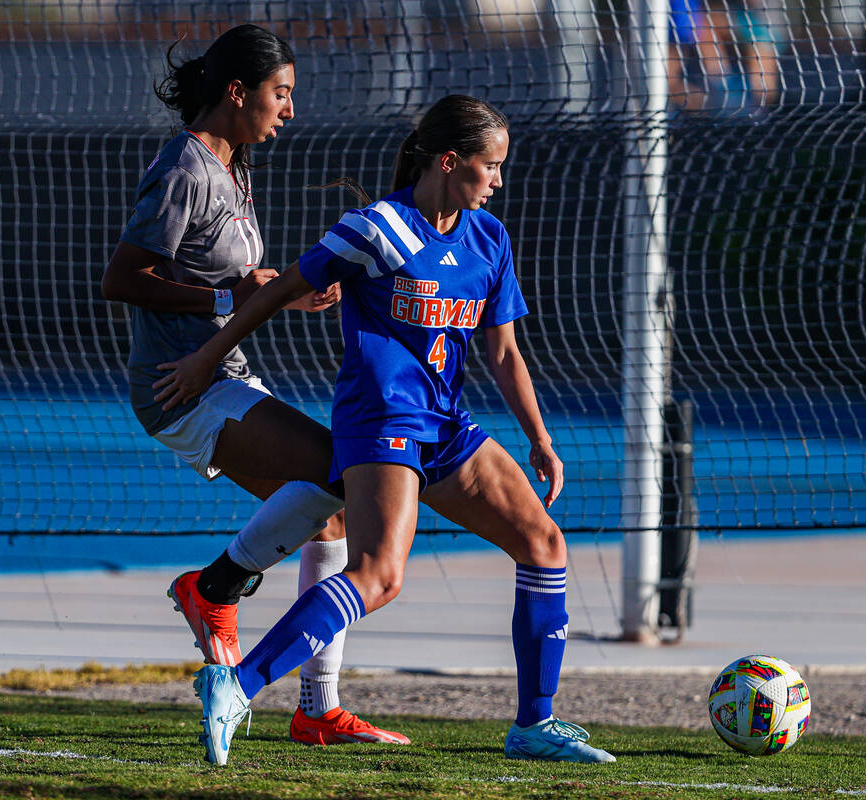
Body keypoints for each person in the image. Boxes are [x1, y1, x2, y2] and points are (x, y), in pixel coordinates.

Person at [153, 94, 618, 767]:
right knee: (379, 574)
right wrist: (205, 358)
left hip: (445, 425)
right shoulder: (378, 228)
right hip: (380, 421)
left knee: (544, 544)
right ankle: (237, 684)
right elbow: (282, 288)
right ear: (449, 161)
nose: (498, 180)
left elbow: (505, 353)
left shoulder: (490, 238)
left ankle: (533, 726)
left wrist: (540, 439)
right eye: (490, 166)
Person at [99, 23, 408, 747]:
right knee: (340, 475)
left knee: (332, 514)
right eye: (281, 94)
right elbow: (122, 279)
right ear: (237, 92)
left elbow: (230, 282)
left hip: (223, 375)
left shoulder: (231, 166)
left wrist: (277, 295)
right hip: (180, 386)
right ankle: (213, 590)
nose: (289, 111)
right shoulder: (187, 167)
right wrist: (227, 300)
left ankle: (316, 708)